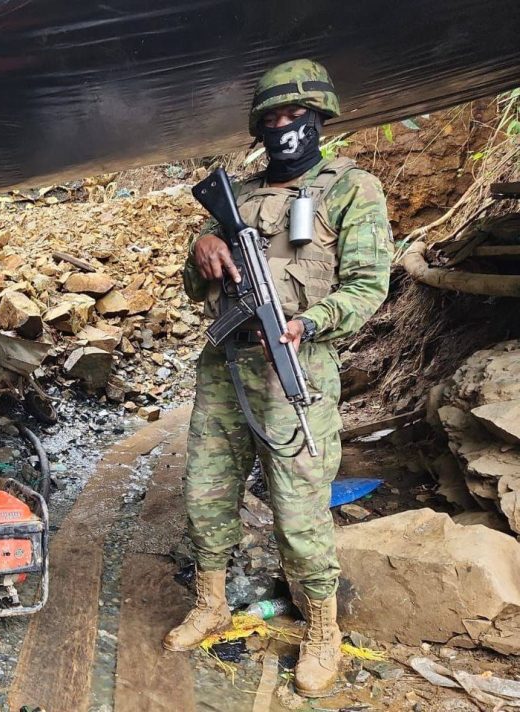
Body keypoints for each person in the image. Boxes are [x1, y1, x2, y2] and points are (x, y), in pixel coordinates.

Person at [165, 59, 392, 697]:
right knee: (207, 491)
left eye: (296, 116)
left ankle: (323, 629)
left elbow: (369, 286)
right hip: (224, 369)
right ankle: (209, 600)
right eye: (272, 118)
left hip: (299, 370)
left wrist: (309, 323)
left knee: (299, 507)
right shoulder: (234, 198)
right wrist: (201, 251)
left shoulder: (352, 189)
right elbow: (194, 288)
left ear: (320, 119)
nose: (284, 127)